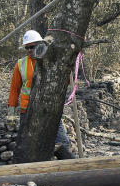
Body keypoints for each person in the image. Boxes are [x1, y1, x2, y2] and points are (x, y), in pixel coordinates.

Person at [7, 29, 75, 160]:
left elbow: (64, 82)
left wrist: (69, 68)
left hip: (49, 110)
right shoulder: (21, 64)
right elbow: (14, 89)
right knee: (25, 146)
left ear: (40, 44)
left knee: (62, 143)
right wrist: (11, 111)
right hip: (26, 111)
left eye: (32, 47)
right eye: (27, 48)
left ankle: (71, 171)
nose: (29, 50)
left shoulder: (52, 61)